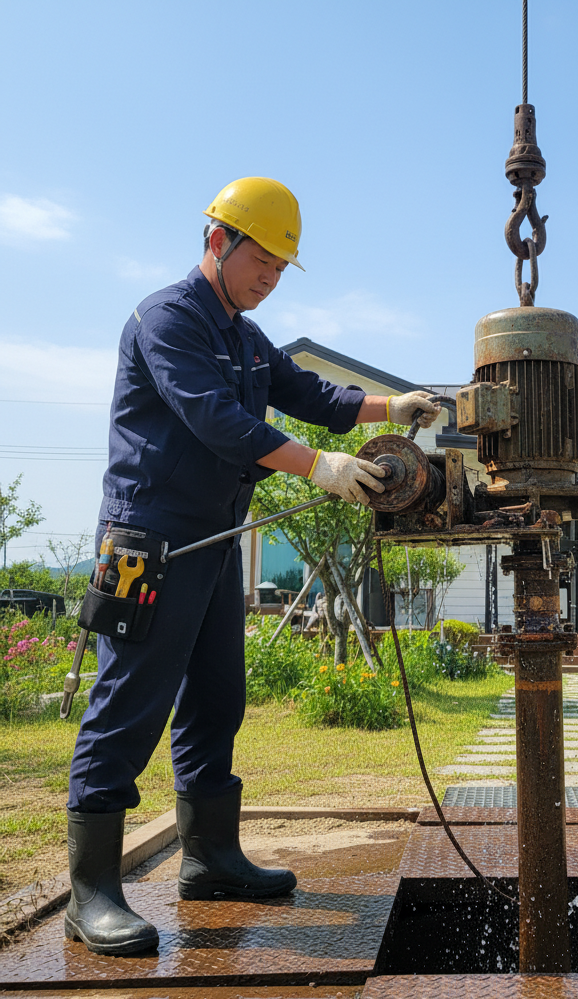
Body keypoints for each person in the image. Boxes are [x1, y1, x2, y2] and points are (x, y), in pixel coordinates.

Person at [64, 177, 440, 955]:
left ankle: (210, 859)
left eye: (280, 267)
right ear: (218, 242)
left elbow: (311, 394)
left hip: (213, 539)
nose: (269, 276)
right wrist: (319, 467)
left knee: (217, 698)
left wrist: (392, 405)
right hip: (147, 543)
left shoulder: (245, 336)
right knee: (129, 702)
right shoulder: (167, 319)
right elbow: (217, 420)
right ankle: (90, 891)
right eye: (260, 259)